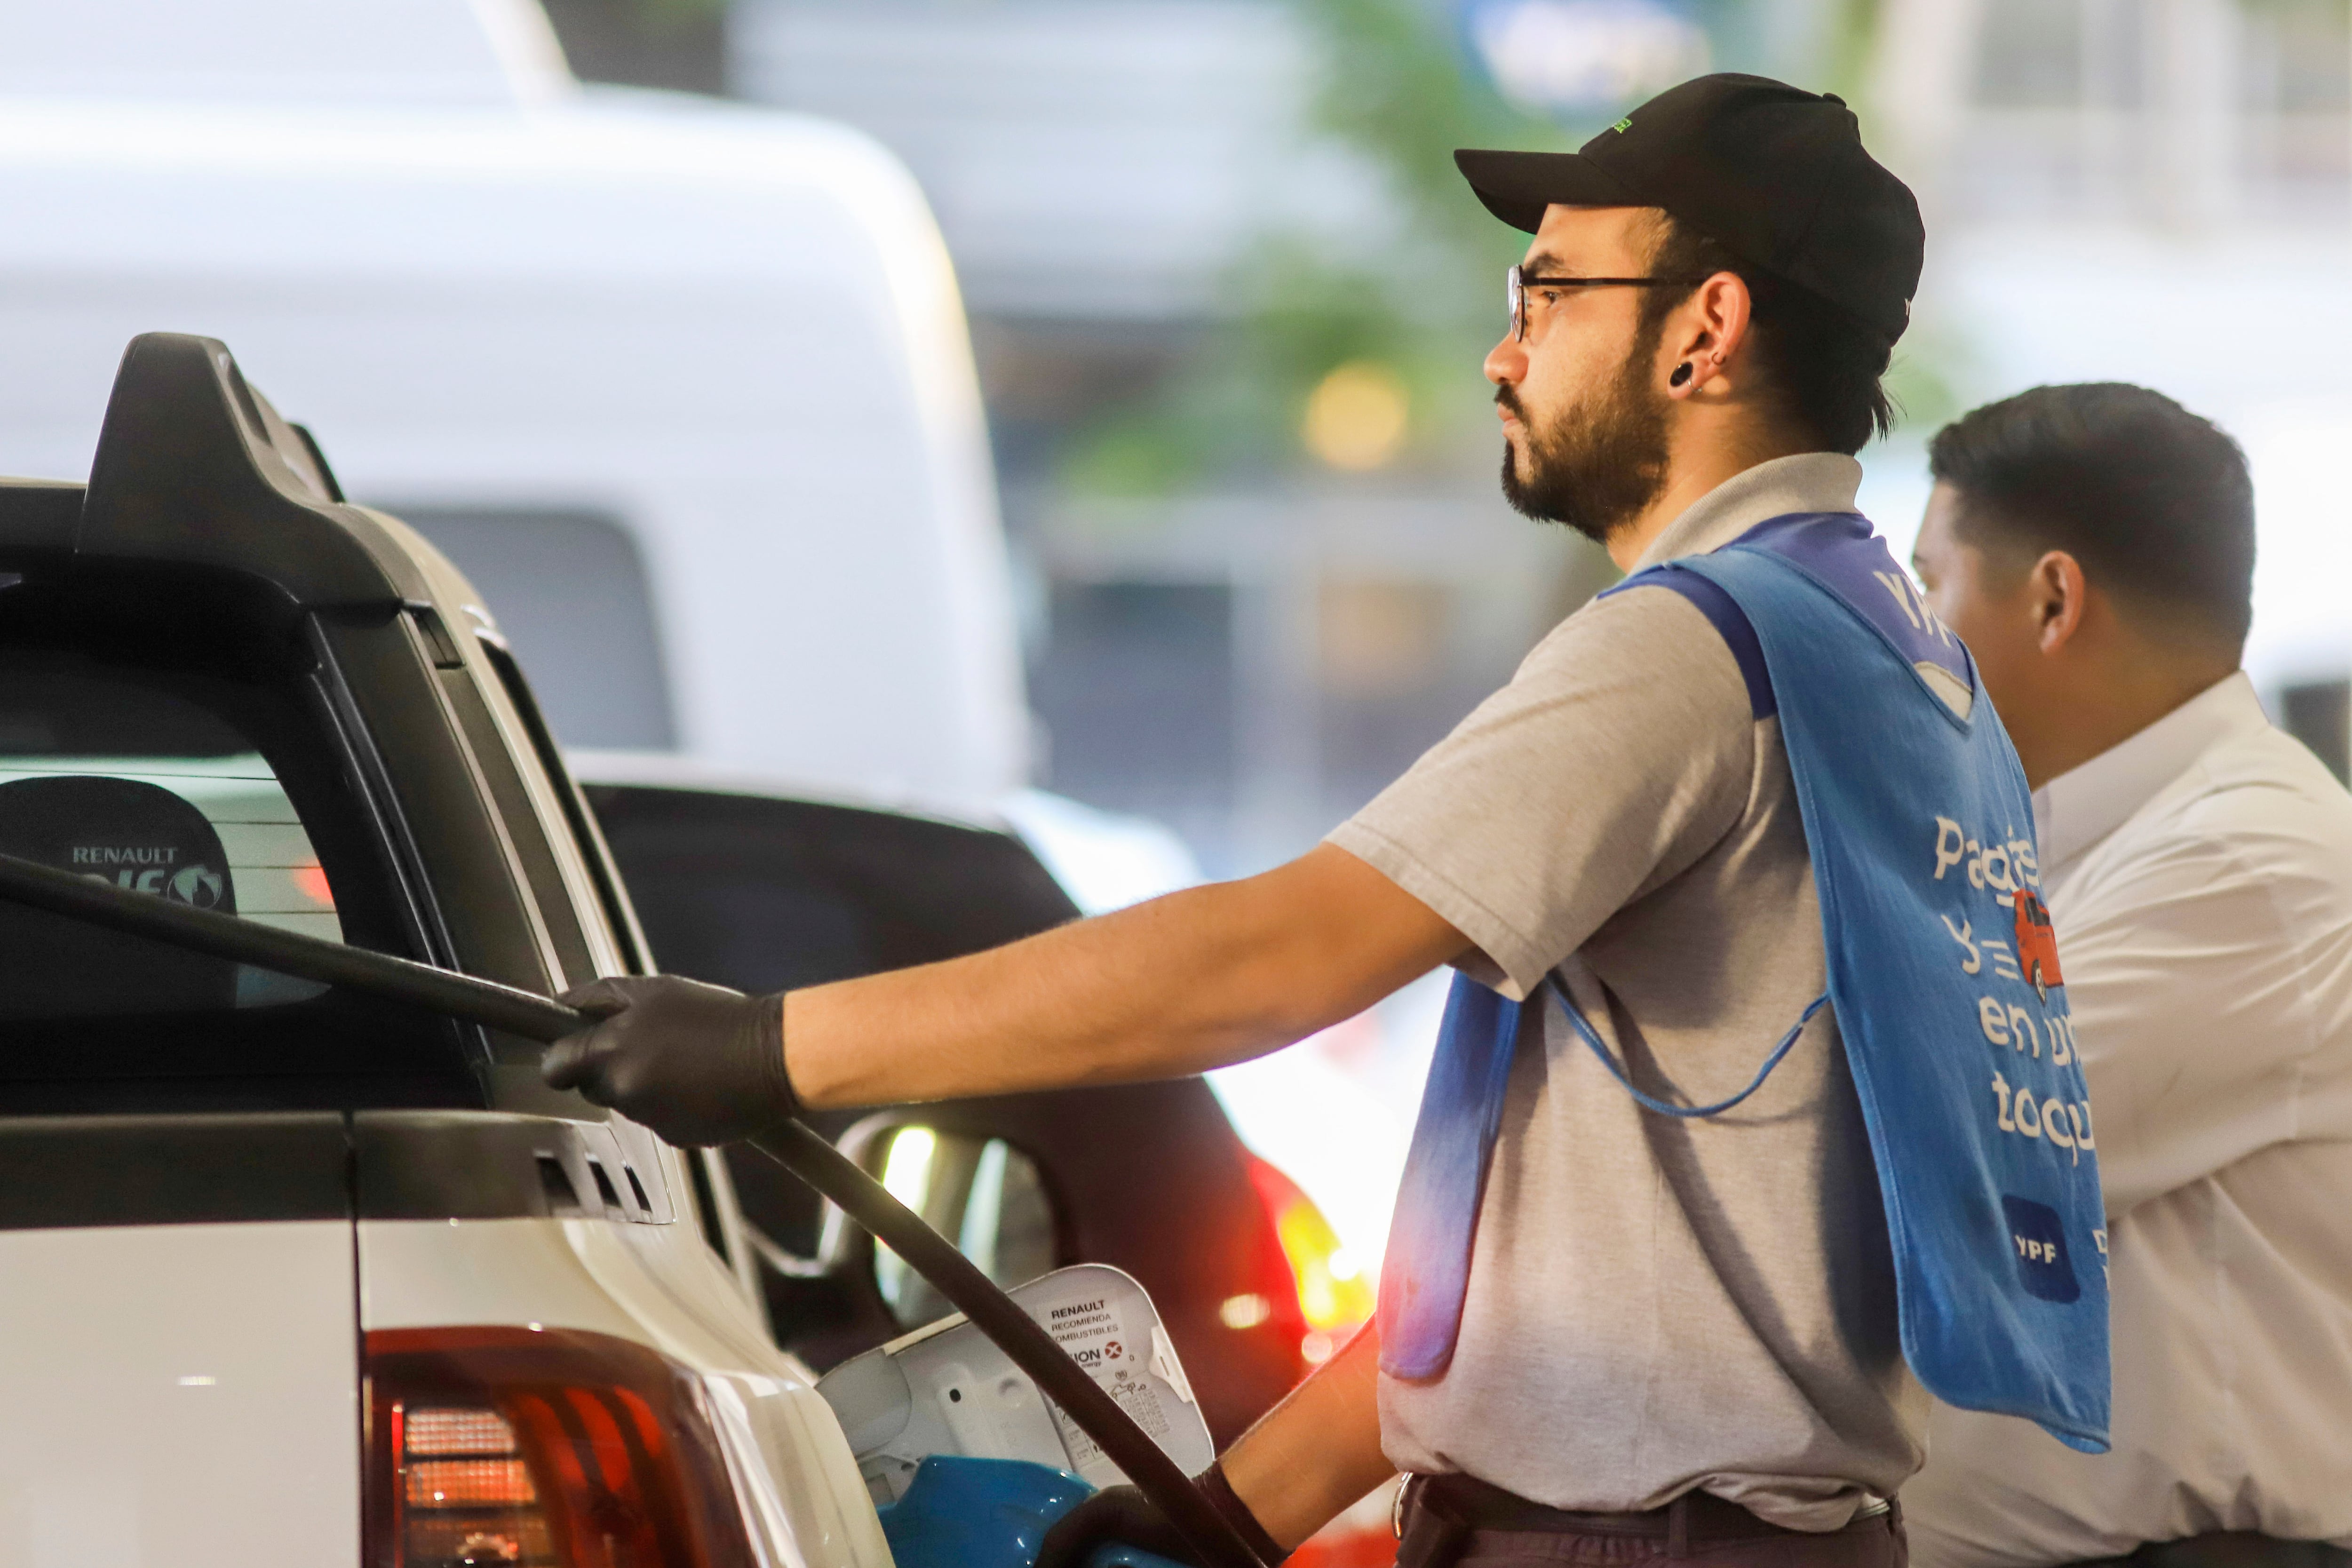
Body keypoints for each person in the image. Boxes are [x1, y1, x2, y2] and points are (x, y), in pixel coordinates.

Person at [545, 74, 1952, 1568]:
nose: (1502, 348)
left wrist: (771, 1048)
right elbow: (1570, 1254)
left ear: (1707, 327)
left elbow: (1273, 959)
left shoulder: (1694, 649)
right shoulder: (1890, 659)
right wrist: (1228, 1514)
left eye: (1546, 291)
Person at [1903, 383, 2352, 1568]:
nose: (1907, 634)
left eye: (1927, 581)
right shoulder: (2086, 840)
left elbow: (1939, 1149)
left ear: (2051, 598)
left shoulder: (2247, 859)